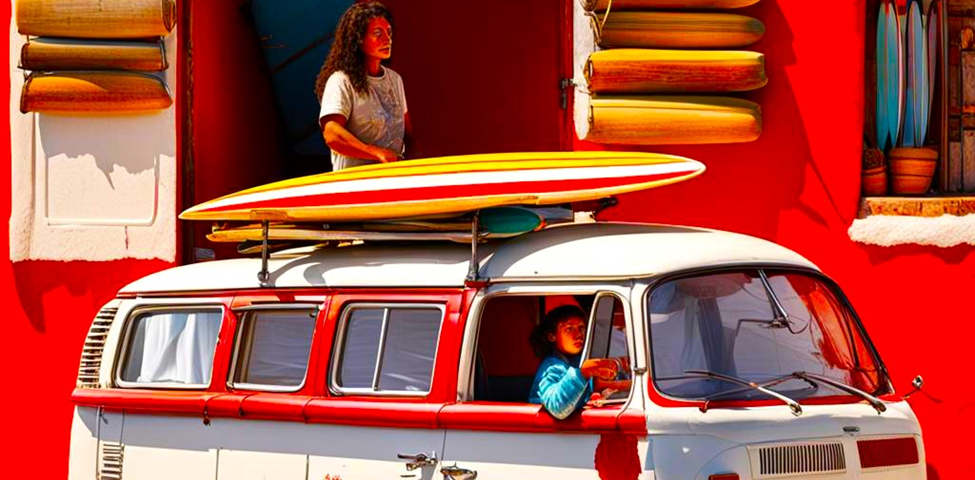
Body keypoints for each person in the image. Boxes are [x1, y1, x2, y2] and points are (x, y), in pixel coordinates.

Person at [314, 1, 416, 171]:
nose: (387, 39)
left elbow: (408, 134)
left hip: (393, 179)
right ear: (358, 39)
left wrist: (413, 163)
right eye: (378, 33)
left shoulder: (395, 79)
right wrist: (375, 153)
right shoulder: (341, 80)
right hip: (356, 184)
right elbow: (331, 134)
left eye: (389, 33)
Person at [528, 305, 628, 419]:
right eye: (569, 329)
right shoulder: (551, 367)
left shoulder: (576, 360)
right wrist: (582, 373)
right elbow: (557, 407)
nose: (578, 334)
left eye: (581, 328)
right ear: (552, 336)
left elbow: (592, 387)